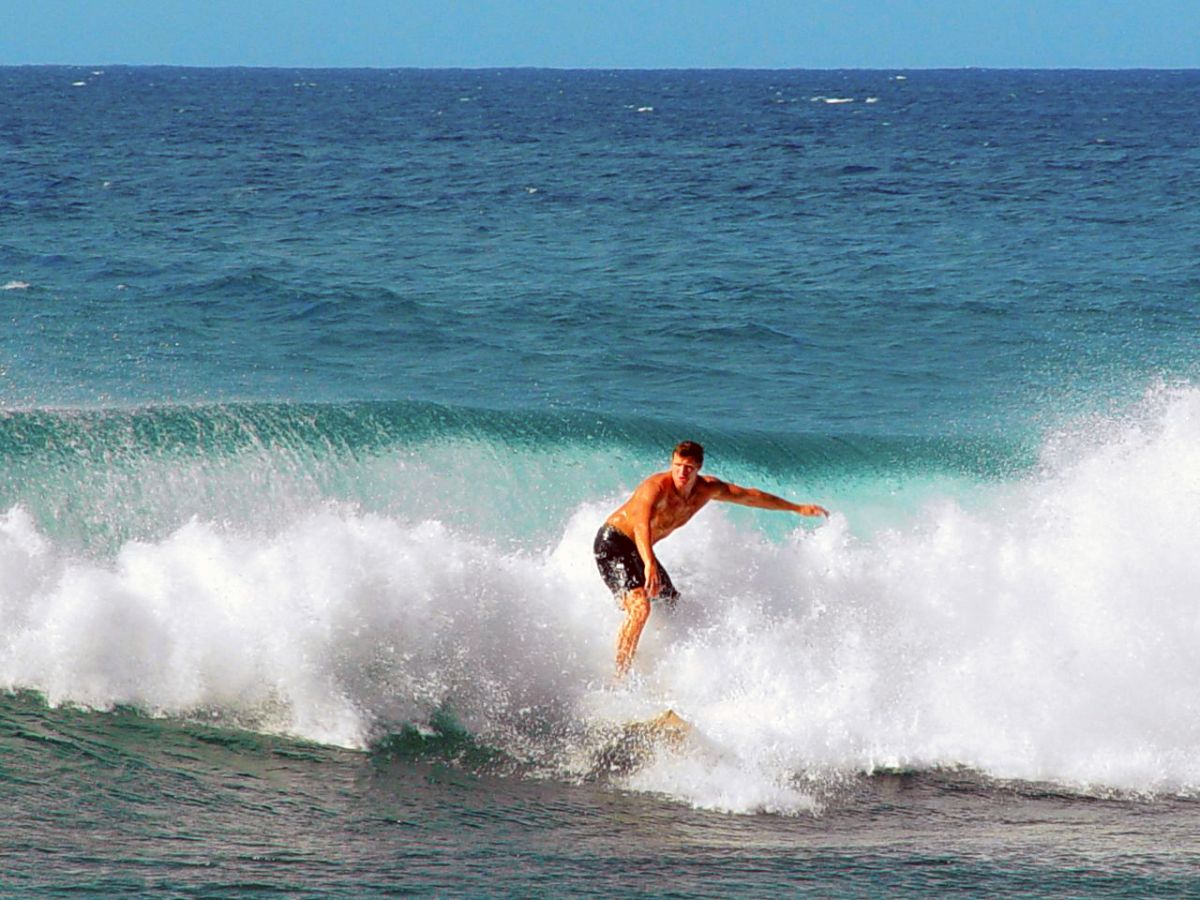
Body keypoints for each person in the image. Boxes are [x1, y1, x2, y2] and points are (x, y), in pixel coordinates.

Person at [594, 440, 828, 675]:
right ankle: (619, 677)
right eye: (677, 466)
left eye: (688, 468)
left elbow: (750, 496)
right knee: (640, 607)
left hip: (639, 549)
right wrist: (649, 564)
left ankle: (660, 664)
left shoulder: (707, 489)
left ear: (698, 468)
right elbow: (640, 526)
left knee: (671, 604)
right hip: (614, 543)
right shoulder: (655, 488)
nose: (681, 473)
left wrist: (796, 508)